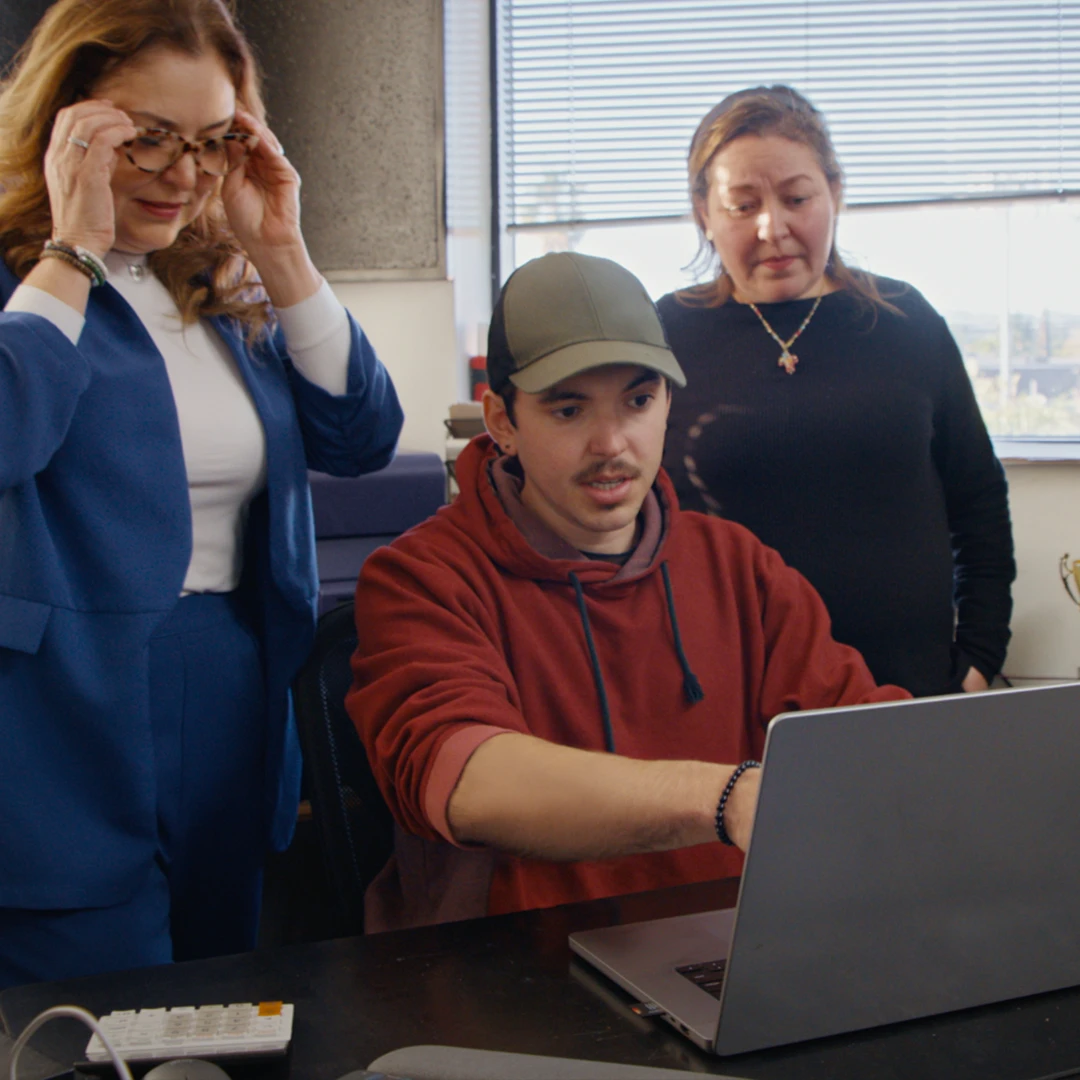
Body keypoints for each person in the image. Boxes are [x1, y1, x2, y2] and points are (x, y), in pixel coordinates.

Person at [0, 0, 403, 987]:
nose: (182, 175)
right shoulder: (31, 281)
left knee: (222, 1003)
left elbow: (361, 437)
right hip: (67, 703)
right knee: (97, 1022)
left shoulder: (218, 289)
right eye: (147, 140)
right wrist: (75, 249)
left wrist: (280, 250)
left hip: (233, 682)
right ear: (66, 122)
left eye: (211, 142)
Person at [347, 251, 907, 933]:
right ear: (500, 421)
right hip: (517, 973)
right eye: (568, 409)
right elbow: (468, 780)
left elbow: (864, 735)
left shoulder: (737, 564)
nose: (611, 443)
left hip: (730, 951)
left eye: (638, 401)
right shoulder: (420, 579)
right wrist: (722, 798)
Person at [657, 85, 1015, 699]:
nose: (774, 228)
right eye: (742, 205)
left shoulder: (905, 321)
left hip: (908, 694)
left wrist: (980, 654)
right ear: (703, 214)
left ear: (835, 194)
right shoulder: (665, 333)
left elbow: (977, 499)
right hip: (725, 697)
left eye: (797, 198)